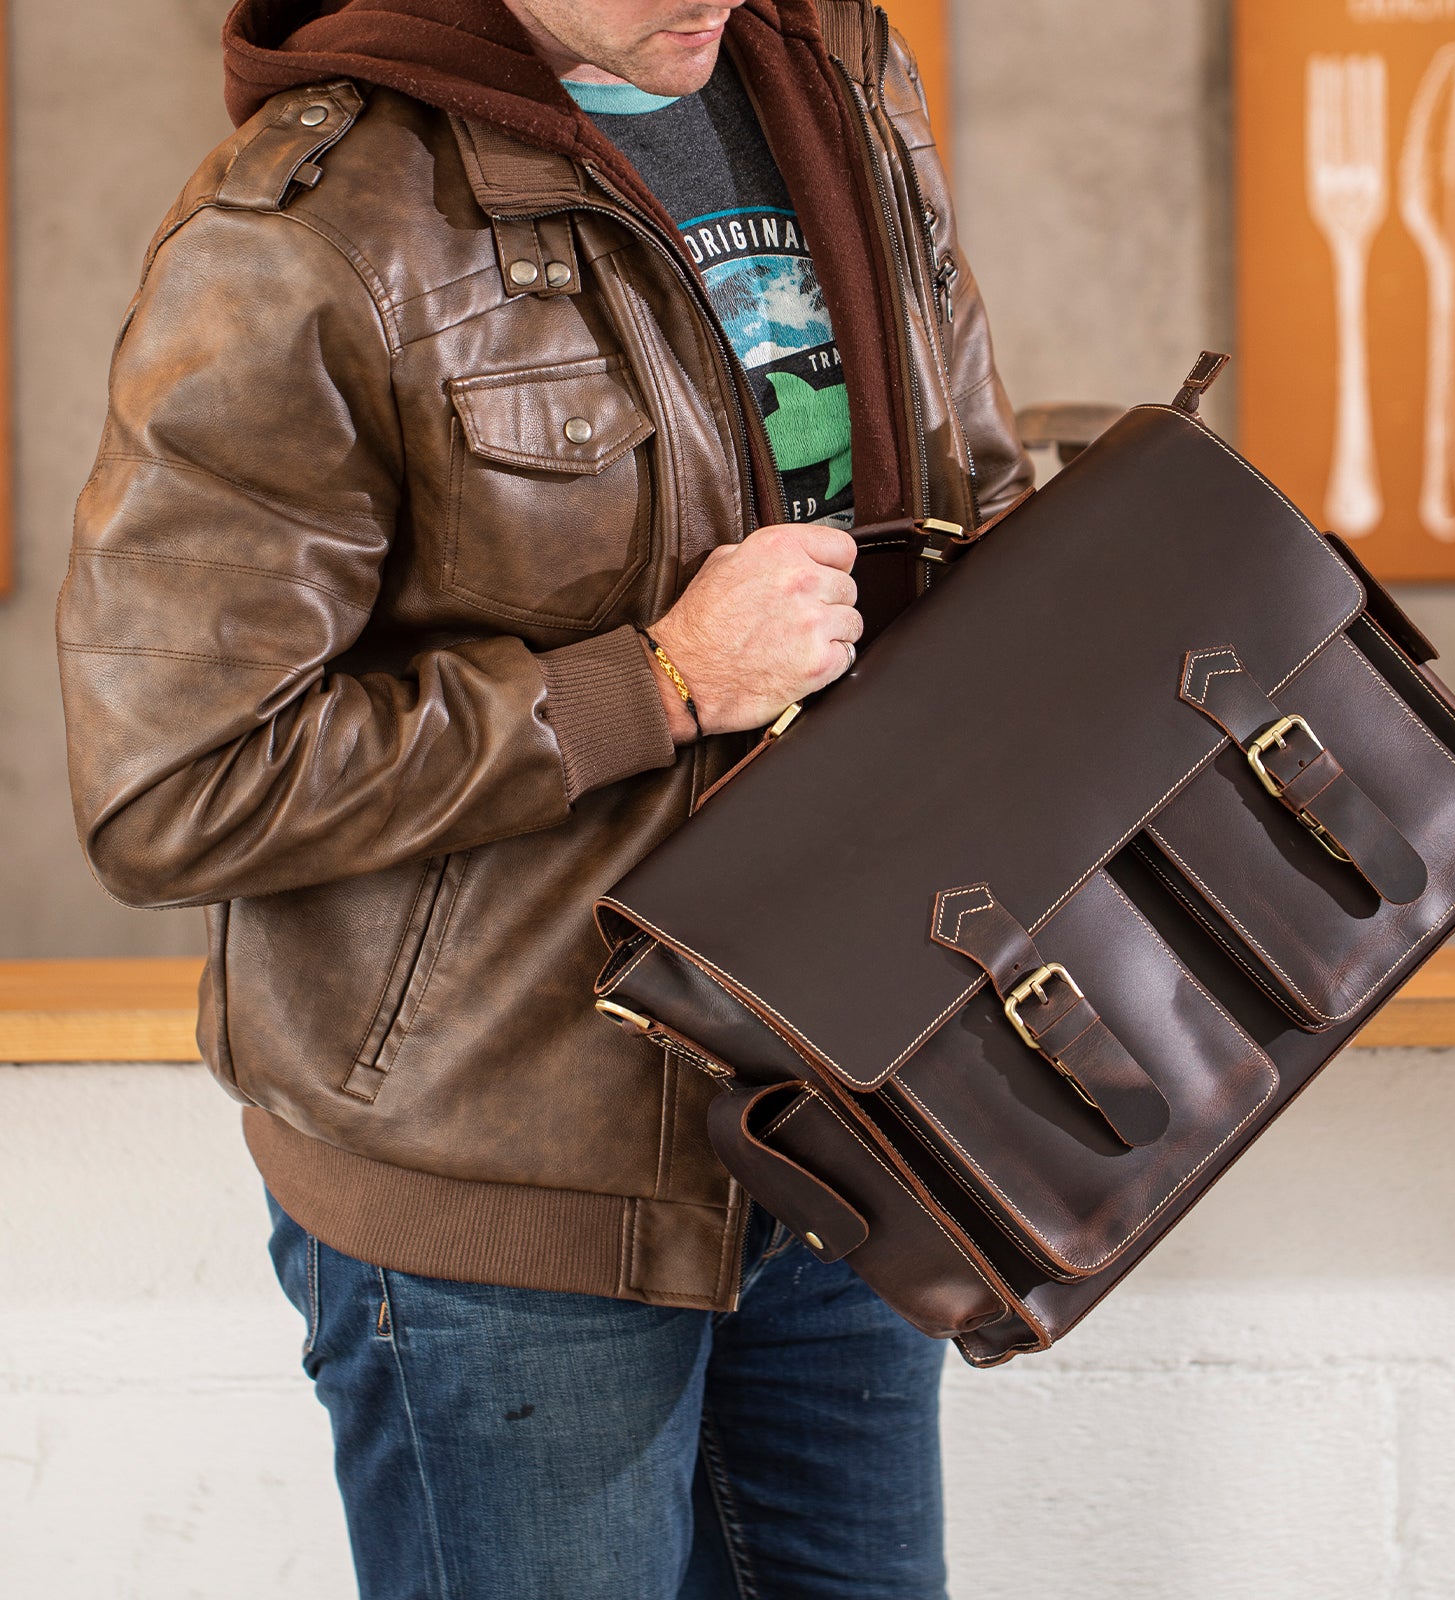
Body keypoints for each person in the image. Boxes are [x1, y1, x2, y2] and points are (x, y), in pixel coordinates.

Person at [57, 0, 1031, 1593]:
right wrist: (648, 683)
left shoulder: (838, 79)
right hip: (510, 1211)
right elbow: (174, 783)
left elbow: (966, 493)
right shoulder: (313, 227)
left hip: (847, 1128)